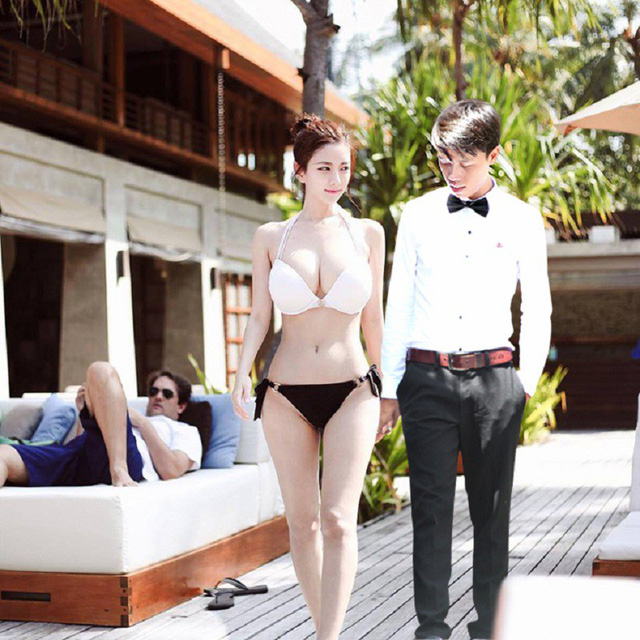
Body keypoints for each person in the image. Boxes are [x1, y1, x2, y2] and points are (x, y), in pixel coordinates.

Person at [379, 100, 552, 640]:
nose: (451, 171)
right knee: (429, 509)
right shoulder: (417, 215)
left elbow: (538, 305)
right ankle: (431, 627)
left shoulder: (522, 218)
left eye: (464, 161)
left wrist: (524, 384)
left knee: (491, 511)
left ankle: (489, 624)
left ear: (494, 155)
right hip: (426, 377)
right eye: (443, 159)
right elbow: (398, 302)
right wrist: (390, 387)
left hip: (495, 380)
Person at [231, 114, 385, 640]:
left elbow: (374, 320)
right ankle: (327, 631)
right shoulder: (271, 237)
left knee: (339, 519)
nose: (336, 179)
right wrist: (241, 372)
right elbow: (259, 316)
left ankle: (327, 637)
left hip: (353, 389)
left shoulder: (367, 234)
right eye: (324, 168)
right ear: (299, 171)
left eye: (344, 168)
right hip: (284, 393)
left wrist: (387, 388)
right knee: (303, 523)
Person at [0, 363, 202, 488]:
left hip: (125, 460)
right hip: (81, 457)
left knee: (100, 370)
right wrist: (83, 414)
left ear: (181, 405)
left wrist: (143, 423)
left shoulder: (185, 431)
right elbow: (84, 447)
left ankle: (119, 469)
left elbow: (171, 470)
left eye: (167, 394)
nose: (158, 396)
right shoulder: (120, 413)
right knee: (4, 454)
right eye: (153, 391)